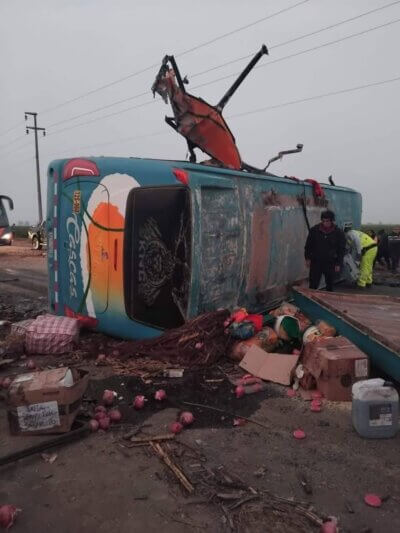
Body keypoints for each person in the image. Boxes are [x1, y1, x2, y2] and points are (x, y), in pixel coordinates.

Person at [305, 210, 346, 291]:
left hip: (330, 262)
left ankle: (329, 299)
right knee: (313, 283)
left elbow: (341, 249)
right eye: (323, 221)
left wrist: (338, 263)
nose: (325, 223)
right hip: (316, 261)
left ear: (332, 221)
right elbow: (308, 245)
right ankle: (311, 299)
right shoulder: (314, 230)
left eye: (327, 221)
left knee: (330, 284)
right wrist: (307, 258)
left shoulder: (338, 232)